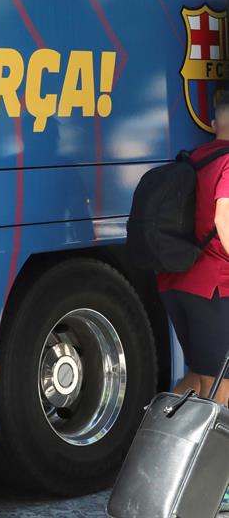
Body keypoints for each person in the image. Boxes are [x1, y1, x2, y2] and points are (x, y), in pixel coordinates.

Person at [157, 88, 229, 513]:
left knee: (198, 379)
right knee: (222, 386)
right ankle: (216, 485)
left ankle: (156, 450)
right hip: (213, 286)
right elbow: (224, 218)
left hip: (176, 283)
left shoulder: (195, 158)